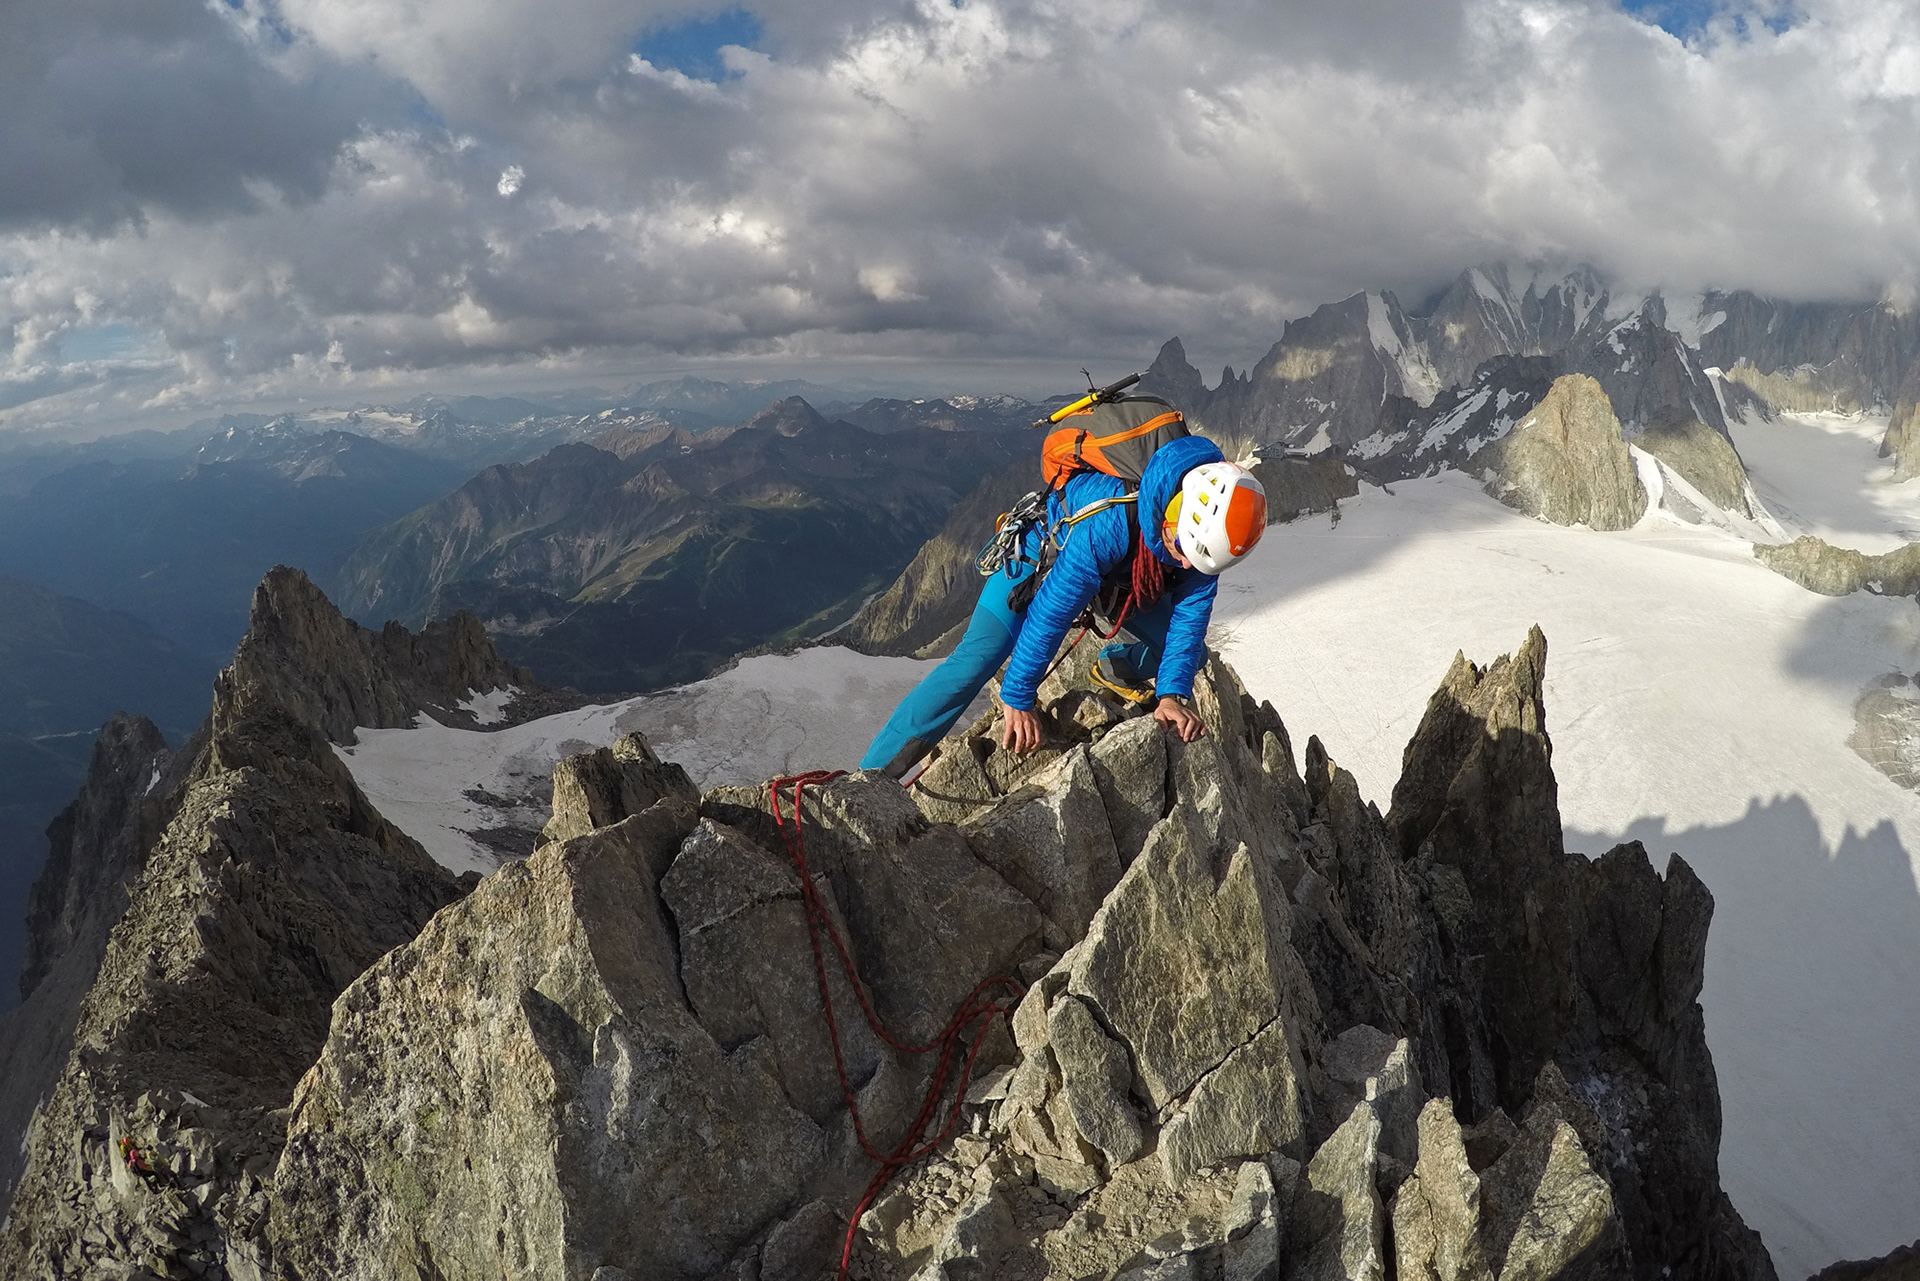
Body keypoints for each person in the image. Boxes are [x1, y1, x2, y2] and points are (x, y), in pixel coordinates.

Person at [860, 433, 1268, 778]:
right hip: (1040, 555)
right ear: (1174, 515)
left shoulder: (1202, 541)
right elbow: (1051, 612)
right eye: (1180, 549)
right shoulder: (1109, 520)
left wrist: (1170, 696)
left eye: (1193, 560)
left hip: (1118, 581)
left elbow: (1189, 621)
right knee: (976, 660)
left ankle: (1115, 667)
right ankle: (874, 774)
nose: (1184, 564)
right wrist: (1017, 698)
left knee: (1190, 654)